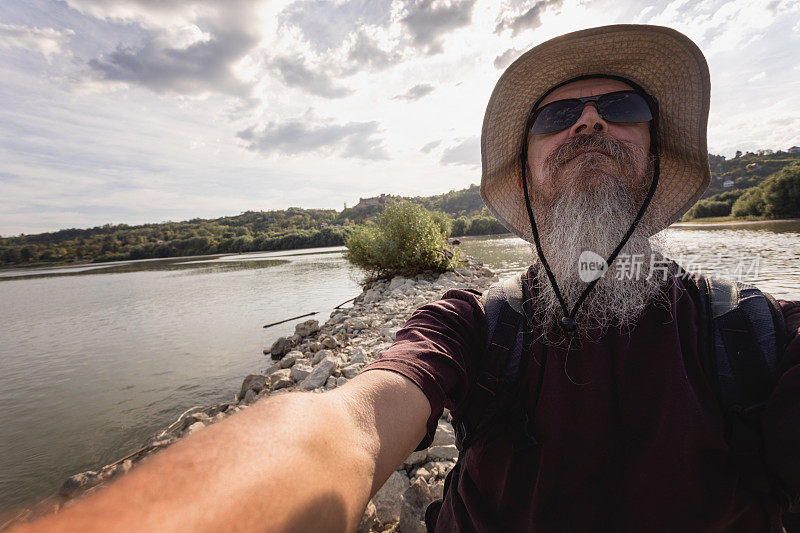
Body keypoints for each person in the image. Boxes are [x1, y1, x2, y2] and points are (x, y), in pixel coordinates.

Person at [12, 24, 800, 533]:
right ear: (524, 170)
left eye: (618, 104)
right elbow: (347, 422)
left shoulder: (753, 334)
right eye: (556, 118)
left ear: (656, 154)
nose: (588, 122)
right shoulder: (477, 324)